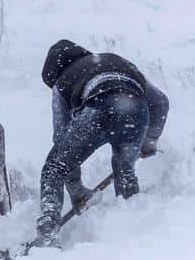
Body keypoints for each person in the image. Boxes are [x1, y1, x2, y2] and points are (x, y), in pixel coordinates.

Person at [34, 39, 169, 248]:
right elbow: (160, 103)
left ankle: (47, 233)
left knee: (53, 168)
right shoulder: (117, 61)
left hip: (99, 112)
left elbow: (61, 140)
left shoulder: (62, 82)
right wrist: (149, 142)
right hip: (136, 109)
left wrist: (76, 189)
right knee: (125, 170)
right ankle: (131, 231)